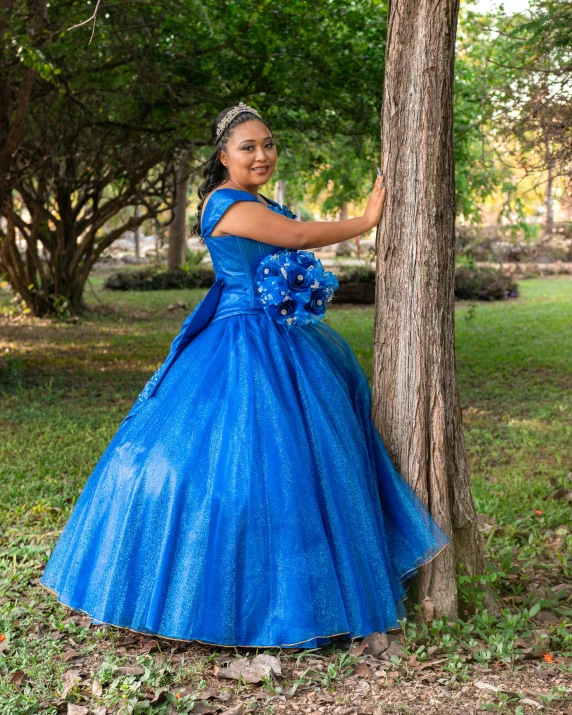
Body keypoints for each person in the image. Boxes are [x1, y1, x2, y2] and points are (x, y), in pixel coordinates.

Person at [41, 102, 451, 649]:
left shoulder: (257, 199)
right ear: (223, 157)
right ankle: (246, 603)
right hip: (241, 342)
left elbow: (284, 240)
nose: (262, 155)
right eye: (247, 147)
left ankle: (313, 590)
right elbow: (297, 237)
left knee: (308, 464)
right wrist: (367, 220)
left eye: (268, 144)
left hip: (283, 337)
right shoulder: (225, 201)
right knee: (243, 462)